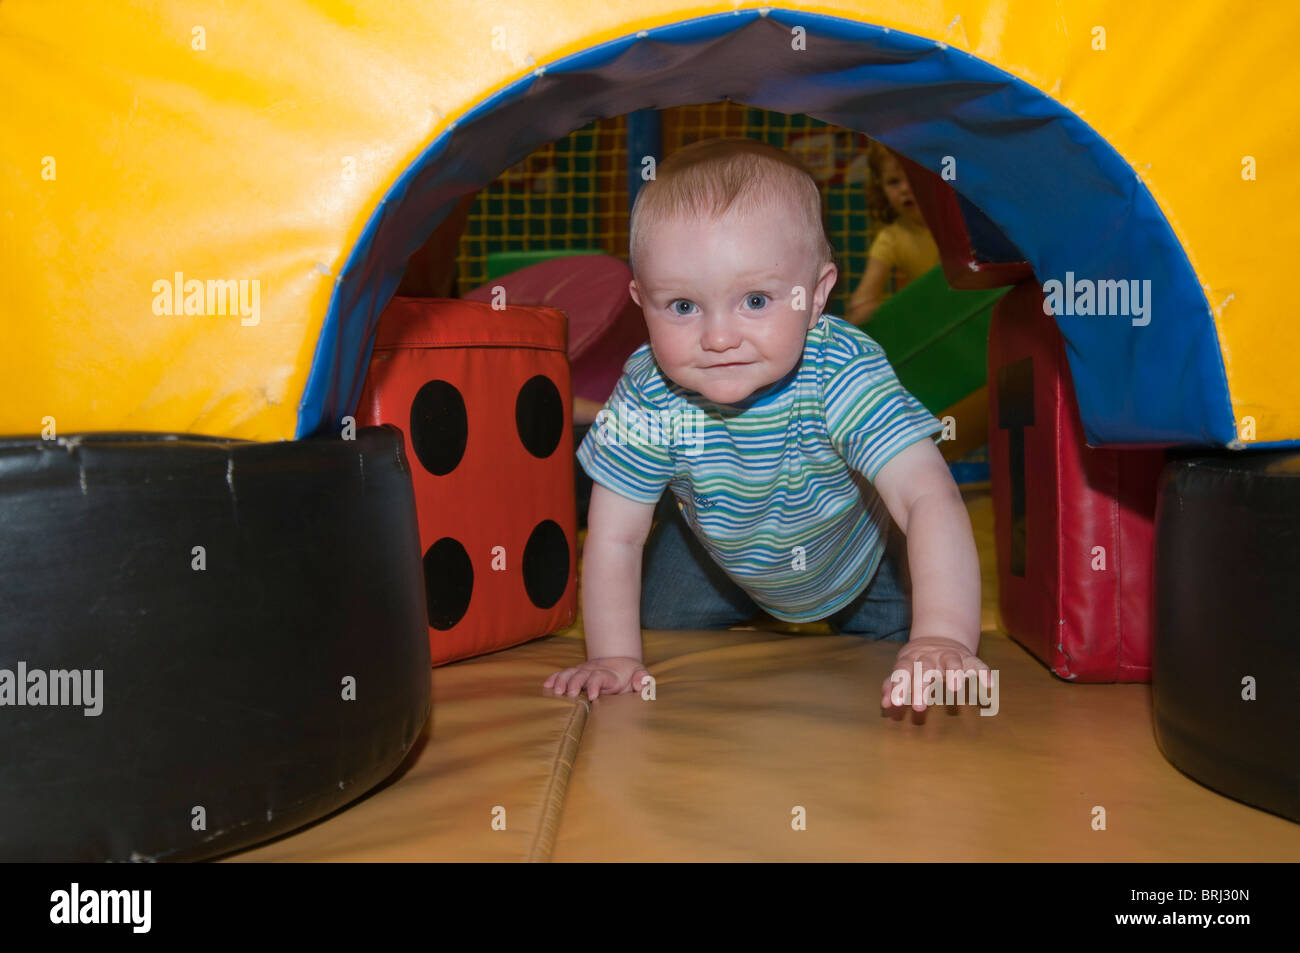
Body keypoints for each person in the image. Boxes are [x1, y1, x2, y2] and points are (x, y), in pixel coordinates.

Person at [543, 137, 987, 711]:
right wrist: (612, 656)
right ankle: (732, 605)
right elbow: (615, 534)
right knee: (656, 623)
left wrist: (943, 636)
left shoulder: (840, 368)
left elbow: (928, 497)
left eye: (755, 300)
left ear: (818, 295)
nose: (719, 337)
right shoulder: (649, 391)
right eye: (682, 306)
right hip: (717, 553)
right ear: (641, 302)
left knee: (909, 655)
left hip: (857, 556)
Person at [846, 142, 940, 324]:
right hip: (936, 319)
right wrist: (863, 308)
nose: (904, 189)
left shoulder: (962, 217)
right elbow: (862, 302)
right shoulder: (891, 238)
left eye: (914, 177)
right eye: (894, 182)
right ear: (881, 189)